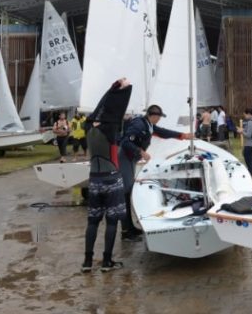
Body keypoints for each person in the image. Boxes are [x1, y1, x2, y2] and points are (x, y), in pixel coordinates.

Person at [118, 104, 192, 241]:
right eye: (159, 117)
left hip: (131, 159)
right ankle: (126, 232)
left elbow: (163, 132)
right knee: (126, 192)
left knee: (128, 191)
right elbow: (125, 142)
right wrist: (140, 152)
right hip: (126, 158)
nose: (159, 120)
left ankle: (130, 227)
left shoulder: (148, 124)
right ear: (153, 116)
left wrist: (183, 135)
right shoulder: (139, 125)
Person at [82, 78, 133, 272]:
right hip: (112, 179)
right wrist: (120, 90)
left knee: (92, 222)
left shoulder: (88, 130)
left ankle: (87, 262)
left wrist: (111, 89)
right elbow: (115, 111)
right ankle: (106, 261)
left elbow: (99, 110)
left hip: (94, 180)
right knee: (112, 222)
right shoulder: (110, 129)